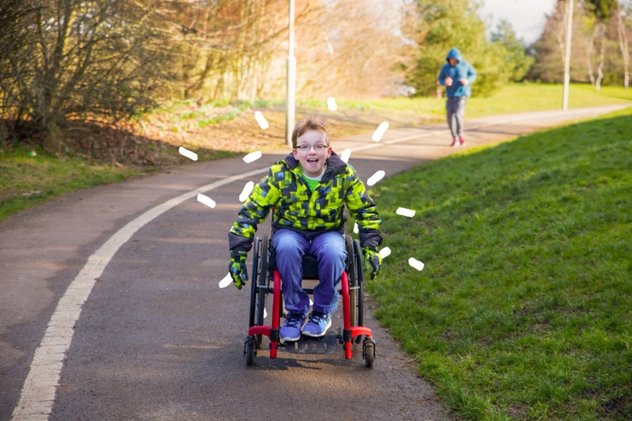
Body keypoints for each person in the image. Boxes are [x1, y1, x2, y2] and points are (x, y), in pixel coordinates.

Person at [228, 117, 382, 342]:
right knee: (287, 247)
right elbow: (251, 210)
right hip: (290, 232)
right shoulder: (279, 176)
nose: (312, 151)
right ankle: (295, 313)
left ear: (328, 151)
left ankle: (321, 312)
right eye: (305, 146)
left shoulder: (343, 175)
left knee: (334, 251)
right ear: (295, 153)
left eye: (319, 146)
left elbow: (366, 211)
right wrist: (238, 255)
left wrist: (371, 248)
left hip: (327, 234)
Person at [437, 48, 476, 147]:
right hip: (450, 96)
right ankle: (454, 138)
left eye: (454, 59)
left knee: (458, 115)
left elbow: (473, 74)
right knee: (450, 118)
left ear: (458, 59)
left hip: (461, 95)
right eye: (450, 59)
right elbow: (440, 79)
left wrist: (467, 81)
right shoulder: (445, 68)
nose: (452, 61)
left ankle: (460, 135)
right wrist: (444, 82)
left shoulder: (465, 65)